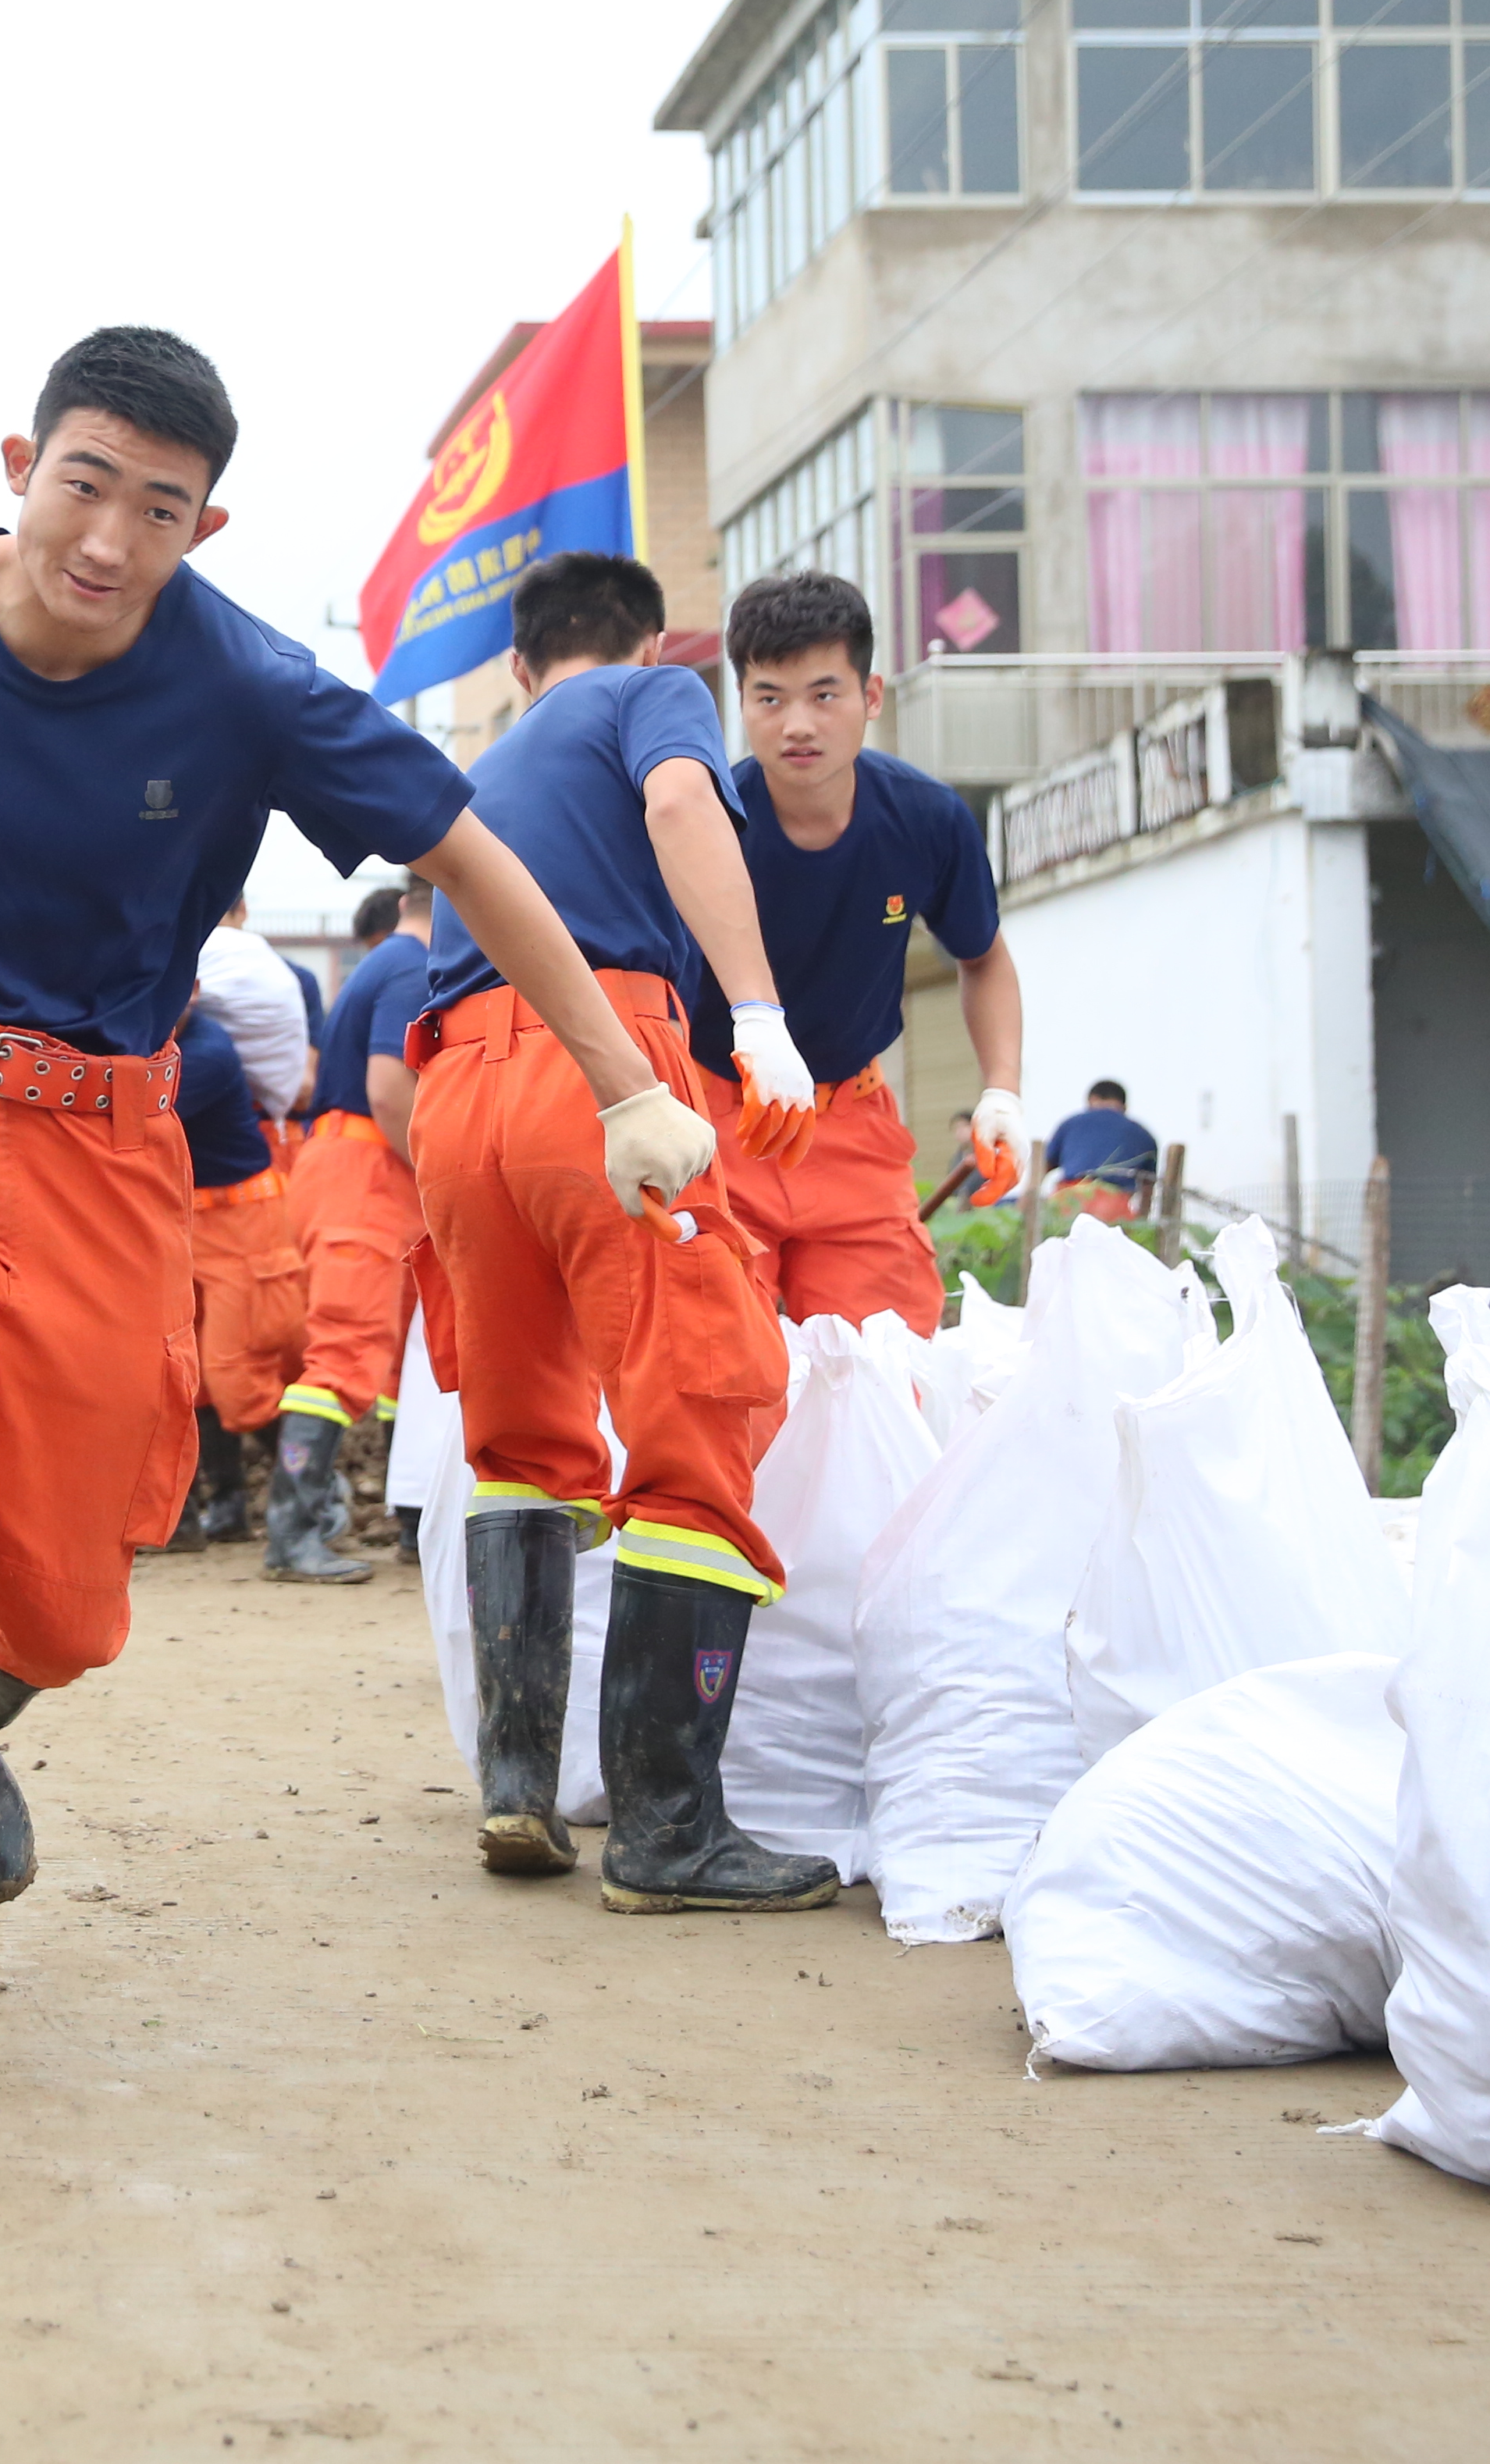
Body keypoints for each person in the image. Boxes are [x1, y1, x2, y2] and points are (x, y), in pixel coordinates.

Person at [0, 324, 662, 2127]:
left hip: (105, 1152)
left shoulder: (248, 686)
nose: (105, 535)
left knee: (67, 1592)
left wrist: (625, 1080)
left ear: (207, 521)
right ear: (16, 458)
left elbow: (471, 853)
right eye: (80, 482)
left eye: (156, 507)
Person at [406, 547, 834, 1919]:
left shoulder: (491, 761)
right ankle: (667, 1828)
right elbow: (677, 808)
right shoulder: (650, 703)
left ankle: (517, 1783)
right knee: (704, 1408)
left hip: (455, 1098)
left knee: (526, 1442)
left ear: (524, 666)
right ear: (649, 646)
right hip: (602, 1077)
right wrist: (758, 1015)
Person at [677, 570, 1024, 1331]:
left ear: (872, 696)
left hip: (853, 1123)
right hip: (717, 1121)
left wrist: (1001, 1088)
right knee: (718, 1372)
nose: (797, 723)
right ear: (739, 706)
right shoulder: (702, 829)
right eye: (770, 697)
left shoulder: (930, 820)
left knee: (886, 1369)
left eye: (824, 695)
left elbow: (983, 957)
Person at [164, 975, 343, 1578]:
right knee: (187, 1378)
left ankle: (319, 1499)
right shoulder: (161, 1045)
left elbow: (139, 1120)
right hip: (186, 1221)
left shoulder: (208, 1053)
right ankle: (215, 1512)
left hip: (246, 1221)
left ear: (190, 991)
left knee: (237, 1376)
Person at [285, 874, 431, 1558]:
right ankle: (293, 1536)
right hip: (367, 1175)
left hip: (364, 1173)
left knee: (404, 1358)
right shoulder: (410, 967)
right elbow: (389, 1090)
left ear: (405, 902)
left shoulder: (388, 961)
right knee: (346, 1353)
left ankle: (410, 1521)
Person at [195, 897, 313, 1125]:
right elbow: (302, 1088)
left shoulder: (173, 964)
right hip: (264, 1129)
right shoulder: (288, 977)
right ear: (243, 909)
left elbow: (304, 1088)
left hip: (252, 1124)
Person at [1044, 1078, 1160, 1216]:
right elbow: (1148, 1189)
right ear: (1124, 1106)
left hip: (1070, 1199)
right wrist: (1142, 1223)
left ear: (1091, 1100)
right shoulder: (1144, 1135)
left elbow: (1044, 1166)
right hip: (1114, 1205)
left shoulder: (1070, 1124)